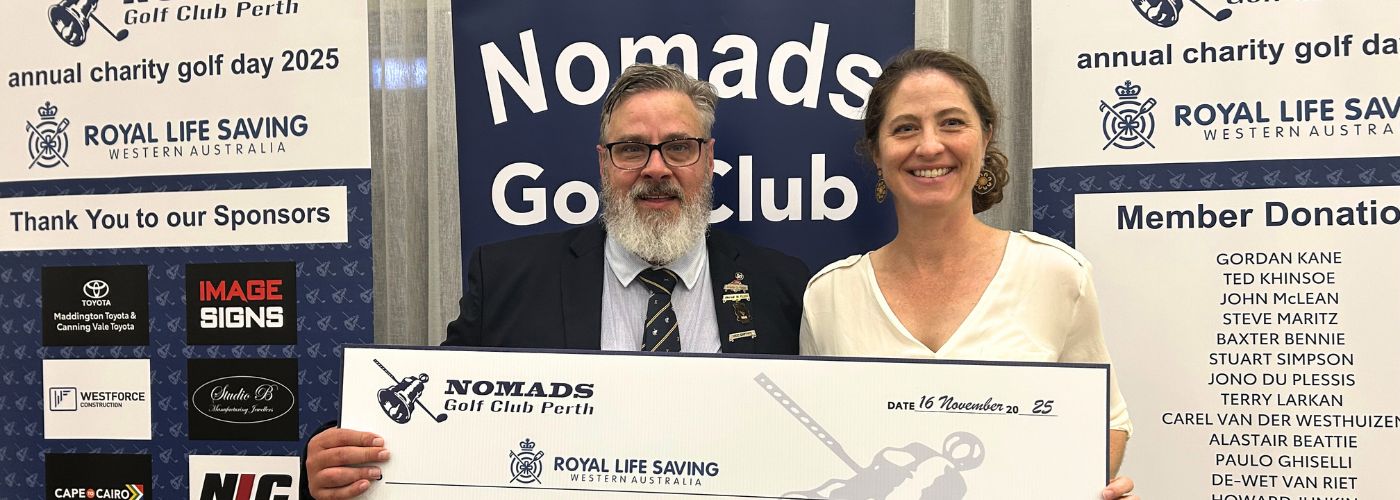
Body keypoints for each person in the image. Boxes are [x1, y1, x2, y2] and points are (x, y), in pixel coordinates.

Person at [301, 63, 811, 499]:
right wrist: (338, 454)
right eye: (631, 149)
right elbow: (440, 411)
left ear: (708, 157)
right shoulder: (507, 279)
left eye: (679, 147)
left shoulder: (786, 288)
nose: (657, 168)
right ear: (602, 162)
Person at [798, 49, 1139, 500]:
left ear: (986, 137)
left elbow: (1107, 423)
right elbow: (807, 445)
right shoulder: (829, 295)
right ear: (878, 153)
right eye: (904, 128)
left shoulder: (1056, 274)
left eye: (952, 122)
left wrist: (1080, 487)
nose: (930, 145)